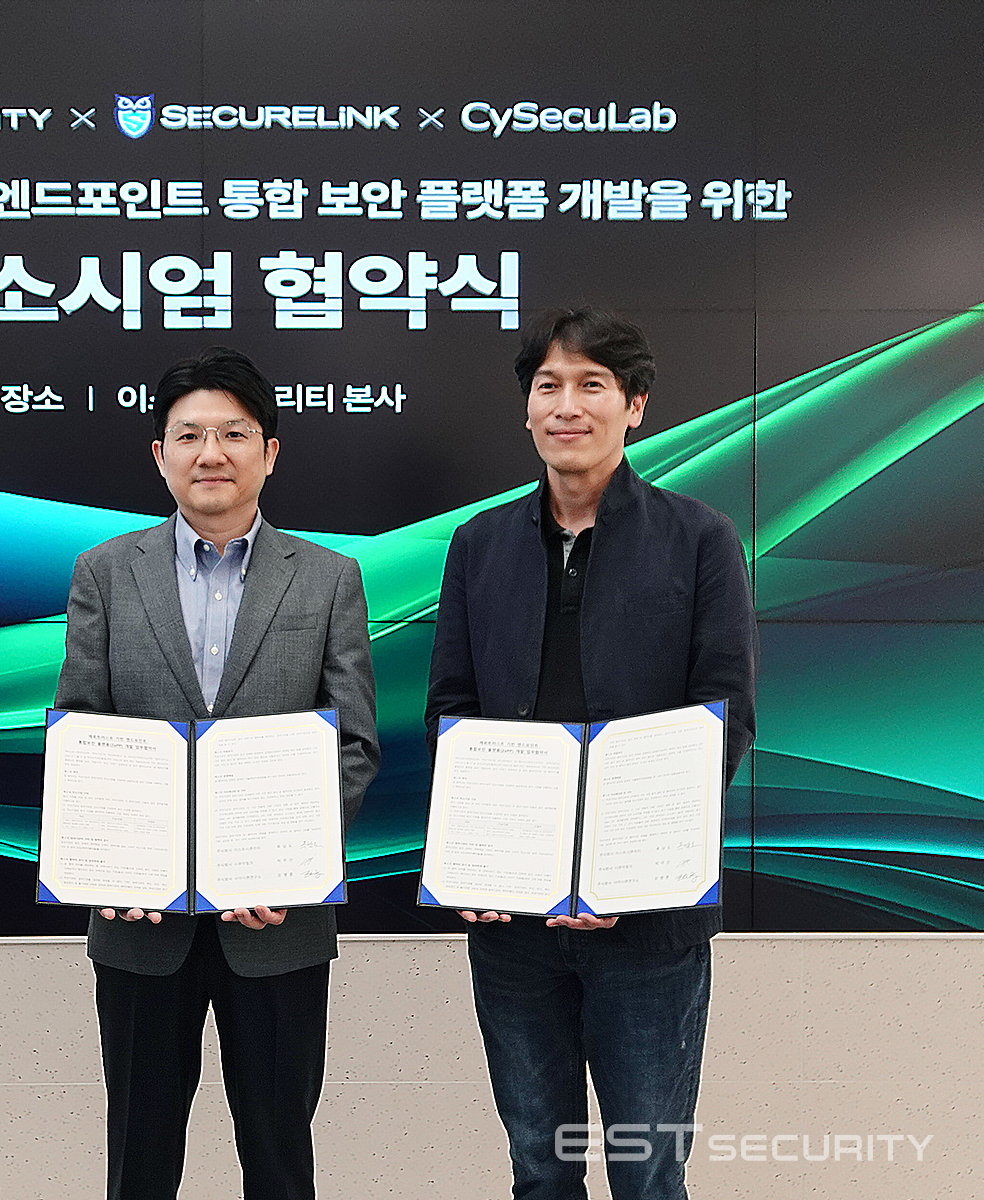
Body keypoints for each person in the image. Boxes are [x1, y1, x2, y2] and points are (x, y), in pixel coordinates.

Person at [423, 308, 757, 1199]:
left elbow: (723, 716)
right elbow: (453, 712)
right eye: (548, 386)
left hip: (648, 926)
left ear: (635, 405)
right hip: (513, 927)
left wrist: (628, 871)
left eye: (591, 385)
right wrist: (479, 861)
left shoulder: (700, 539)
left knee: (648, 1169)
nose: (566, 406)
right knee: (540, 1166)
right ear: (527, 407)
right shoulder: (480, 544)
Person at [55, 347, 379, 1200]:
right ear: (159, 455)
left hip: (279, 925)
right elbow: (82, 733)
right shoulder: (105, 572)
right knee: (139, 1162)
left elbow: (353, 745)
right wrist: (112, 865)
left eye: (233, 434)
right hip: (140, 925)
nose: (211, 453)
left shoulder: (328, 578)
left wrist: (293, 865)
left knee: (279, 1159)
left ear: (269, 452)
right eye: (189, 435)